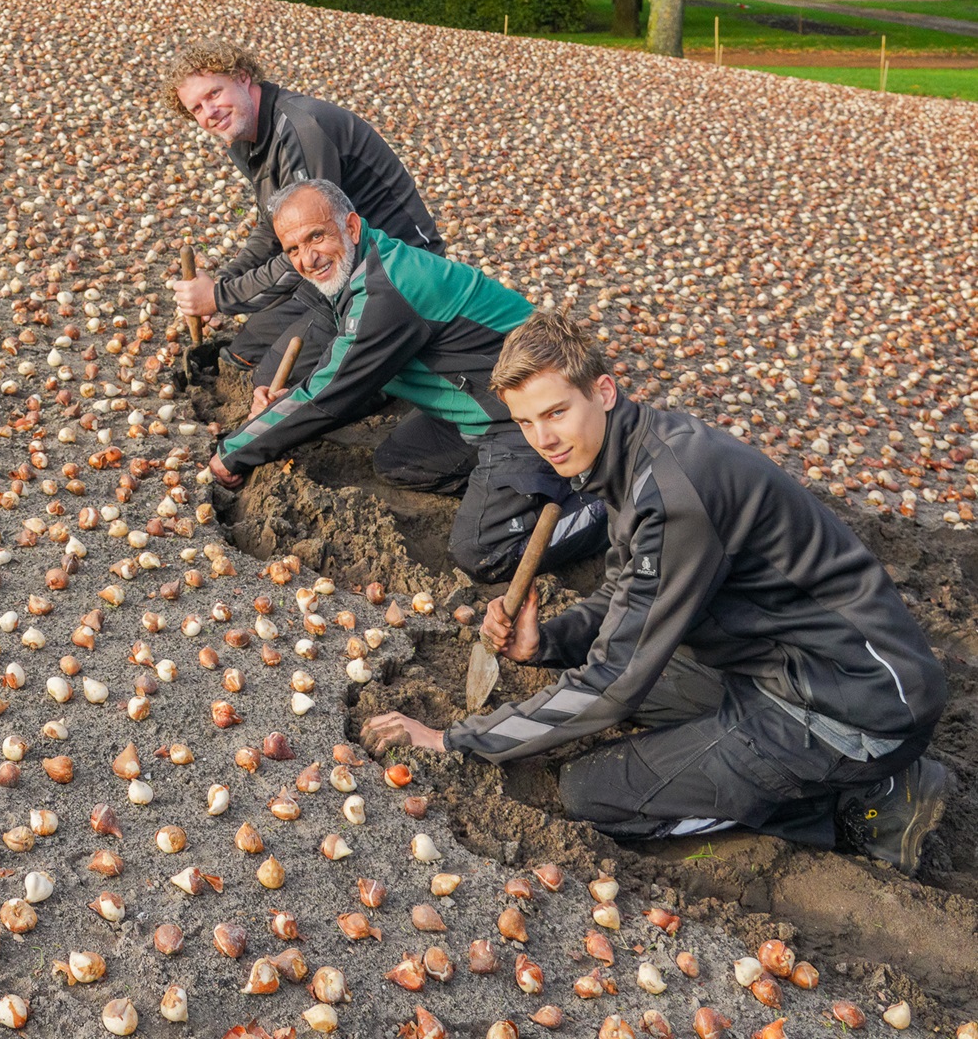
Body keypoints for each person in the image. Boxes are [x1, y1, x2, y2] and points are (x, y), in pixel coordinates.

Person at [363, 312, 953, 876]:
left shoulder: (672, 494)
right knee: (627, 683)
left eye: (556, 412)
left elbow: (612, 687)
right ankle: (844, 775)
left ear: (605, 390)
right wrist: (549, 641)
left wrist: (452, 739)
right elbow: (627, 596)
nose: (544, 438)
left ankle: (865, 803)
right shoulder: (636, 452)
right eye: (524, 423)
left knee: (593, 794)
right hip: (790, 661)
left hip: (849, 708)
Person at [208, 180, 606, 579]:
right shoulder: (360, 270)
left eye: (317, 236)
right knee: (398, 463)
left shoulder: (388, 288)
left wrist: (235, 452)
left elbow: (331, 393)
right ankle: (530, 484)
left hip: (530, 417)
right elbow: (355, 377)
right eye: (293, 249)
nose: (307, 258)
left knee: (483, 551)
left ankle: (604, 507)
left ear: (351, 226)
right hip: (481, 407)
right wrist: (282, 408)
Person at [165, 44, 441, 397]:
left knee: (268, 381)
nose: (209, 113)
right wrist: (225, 283)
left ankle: (383, 388)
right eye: (196, 109)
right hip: (333, 263)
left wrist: (219, 298)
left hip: (394, 268)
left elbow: (308, 244)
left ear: (243, 77)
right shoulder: (244, 137)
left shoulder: (300, 129)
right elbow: (273, 226)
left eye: (214, 93)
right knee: (240, 354)